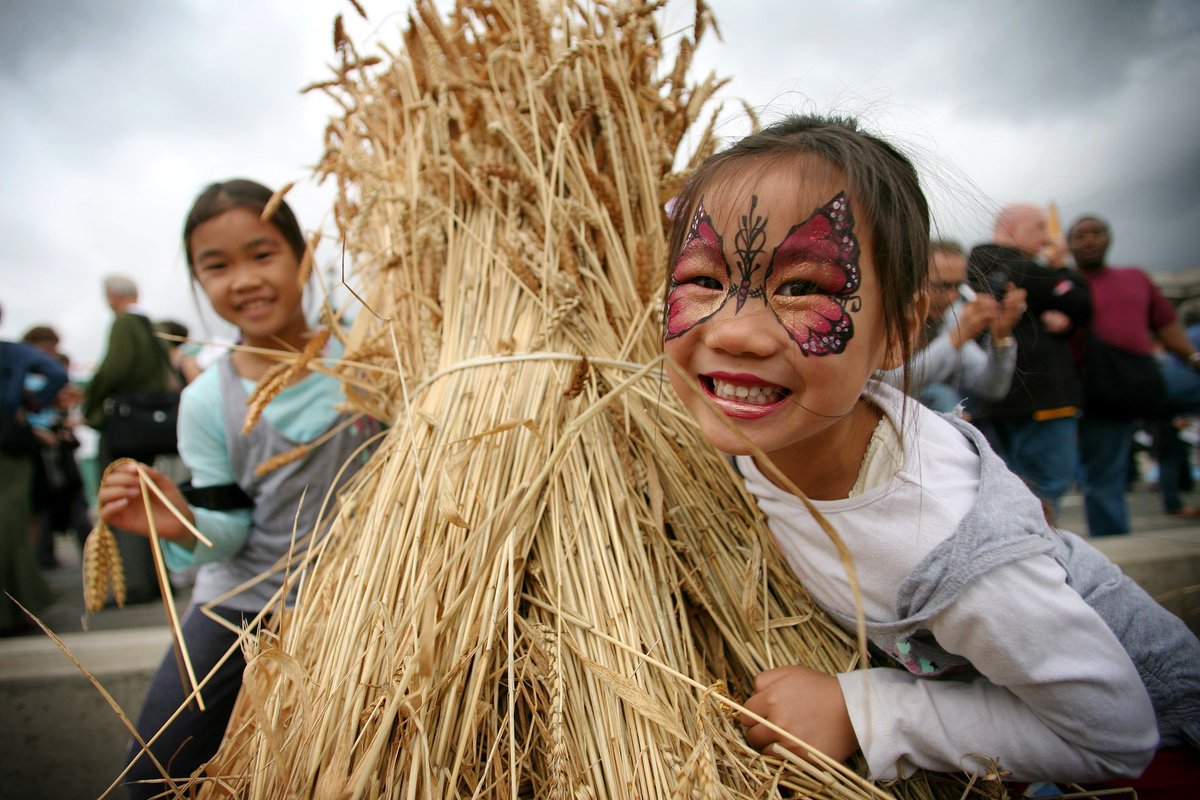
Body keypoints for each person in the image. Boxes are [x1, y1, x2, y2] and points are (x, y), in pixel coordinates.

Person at [661, 115, 1199, 793]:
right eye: (703, 280)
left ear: (899, 334)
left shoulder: (951, 548)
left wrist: (862, 712)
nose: (733, 331)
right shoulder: (761, 435)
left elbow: (1116, 738)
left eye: (801, 288)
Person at [96, 179, 379, 799]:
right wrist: (178, 521)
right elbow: (228, 532)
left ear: (303, 256)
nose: (244, 279)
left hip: (373, 595)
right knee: (152, 775)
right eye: (217, 266)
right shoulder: (206, 400)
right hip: (247, 597)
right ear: (199, 282)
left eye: (262, 254)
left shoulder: (369, 358)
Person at [1069, 214, 1200, 535]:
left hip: (1144, 378)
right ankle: (1114, 542)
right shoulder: (1064, 283)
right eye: (1080, 235)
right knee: (1105, 471)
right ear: (1069, 244)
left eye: (1096, 232)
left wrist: (1193, 358)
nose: (1089, 241)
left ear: (1109, 237)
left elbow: (1167, 325)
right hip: (1098, 388)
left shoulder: (1135, 278)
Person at [966, 204, 1092, 519]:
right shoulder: (1014, 266)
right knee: (1044, 490)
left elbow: (1072, 308)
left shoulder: (988, 270)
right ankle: (1041, 562)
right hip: (1042, 400)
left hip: (1001, 404)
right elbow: (1081, 301)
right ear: (1011, 229)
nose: (1048, 238)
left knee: (1009, 495)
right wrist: (1060, 268)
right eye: (1039, 227)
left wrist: (1054, 311)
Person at [84, 274, 176, 601]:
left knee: (120, 498)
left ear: (111, 297)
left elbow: (114, 369)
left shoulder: (124, 325)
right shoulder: (152, 327)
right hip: (150, 426)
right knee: (147, 499)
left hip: (125, 426)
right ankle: (155, 580)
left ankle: (132, 584)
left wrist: (90, 402)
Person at [881, 239, 1023, 415]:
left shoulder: (950, 318)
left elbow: (992, 388)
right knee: (942, 395)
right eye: (942, 286)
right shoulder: (889, 316)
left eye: (958, 286)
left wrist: (1001, 337)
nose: (952, 296)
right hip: (884, 414)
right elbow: (889, 381)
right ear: (913, 279)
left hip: (923, 418)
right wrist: (956, 338)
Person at [0, 306, 68, 634]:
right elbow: (56, 375)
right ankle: (18, 606)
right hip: (8, 440)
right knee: (12, 523)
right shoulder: (13, 353)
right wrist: (31, 403)